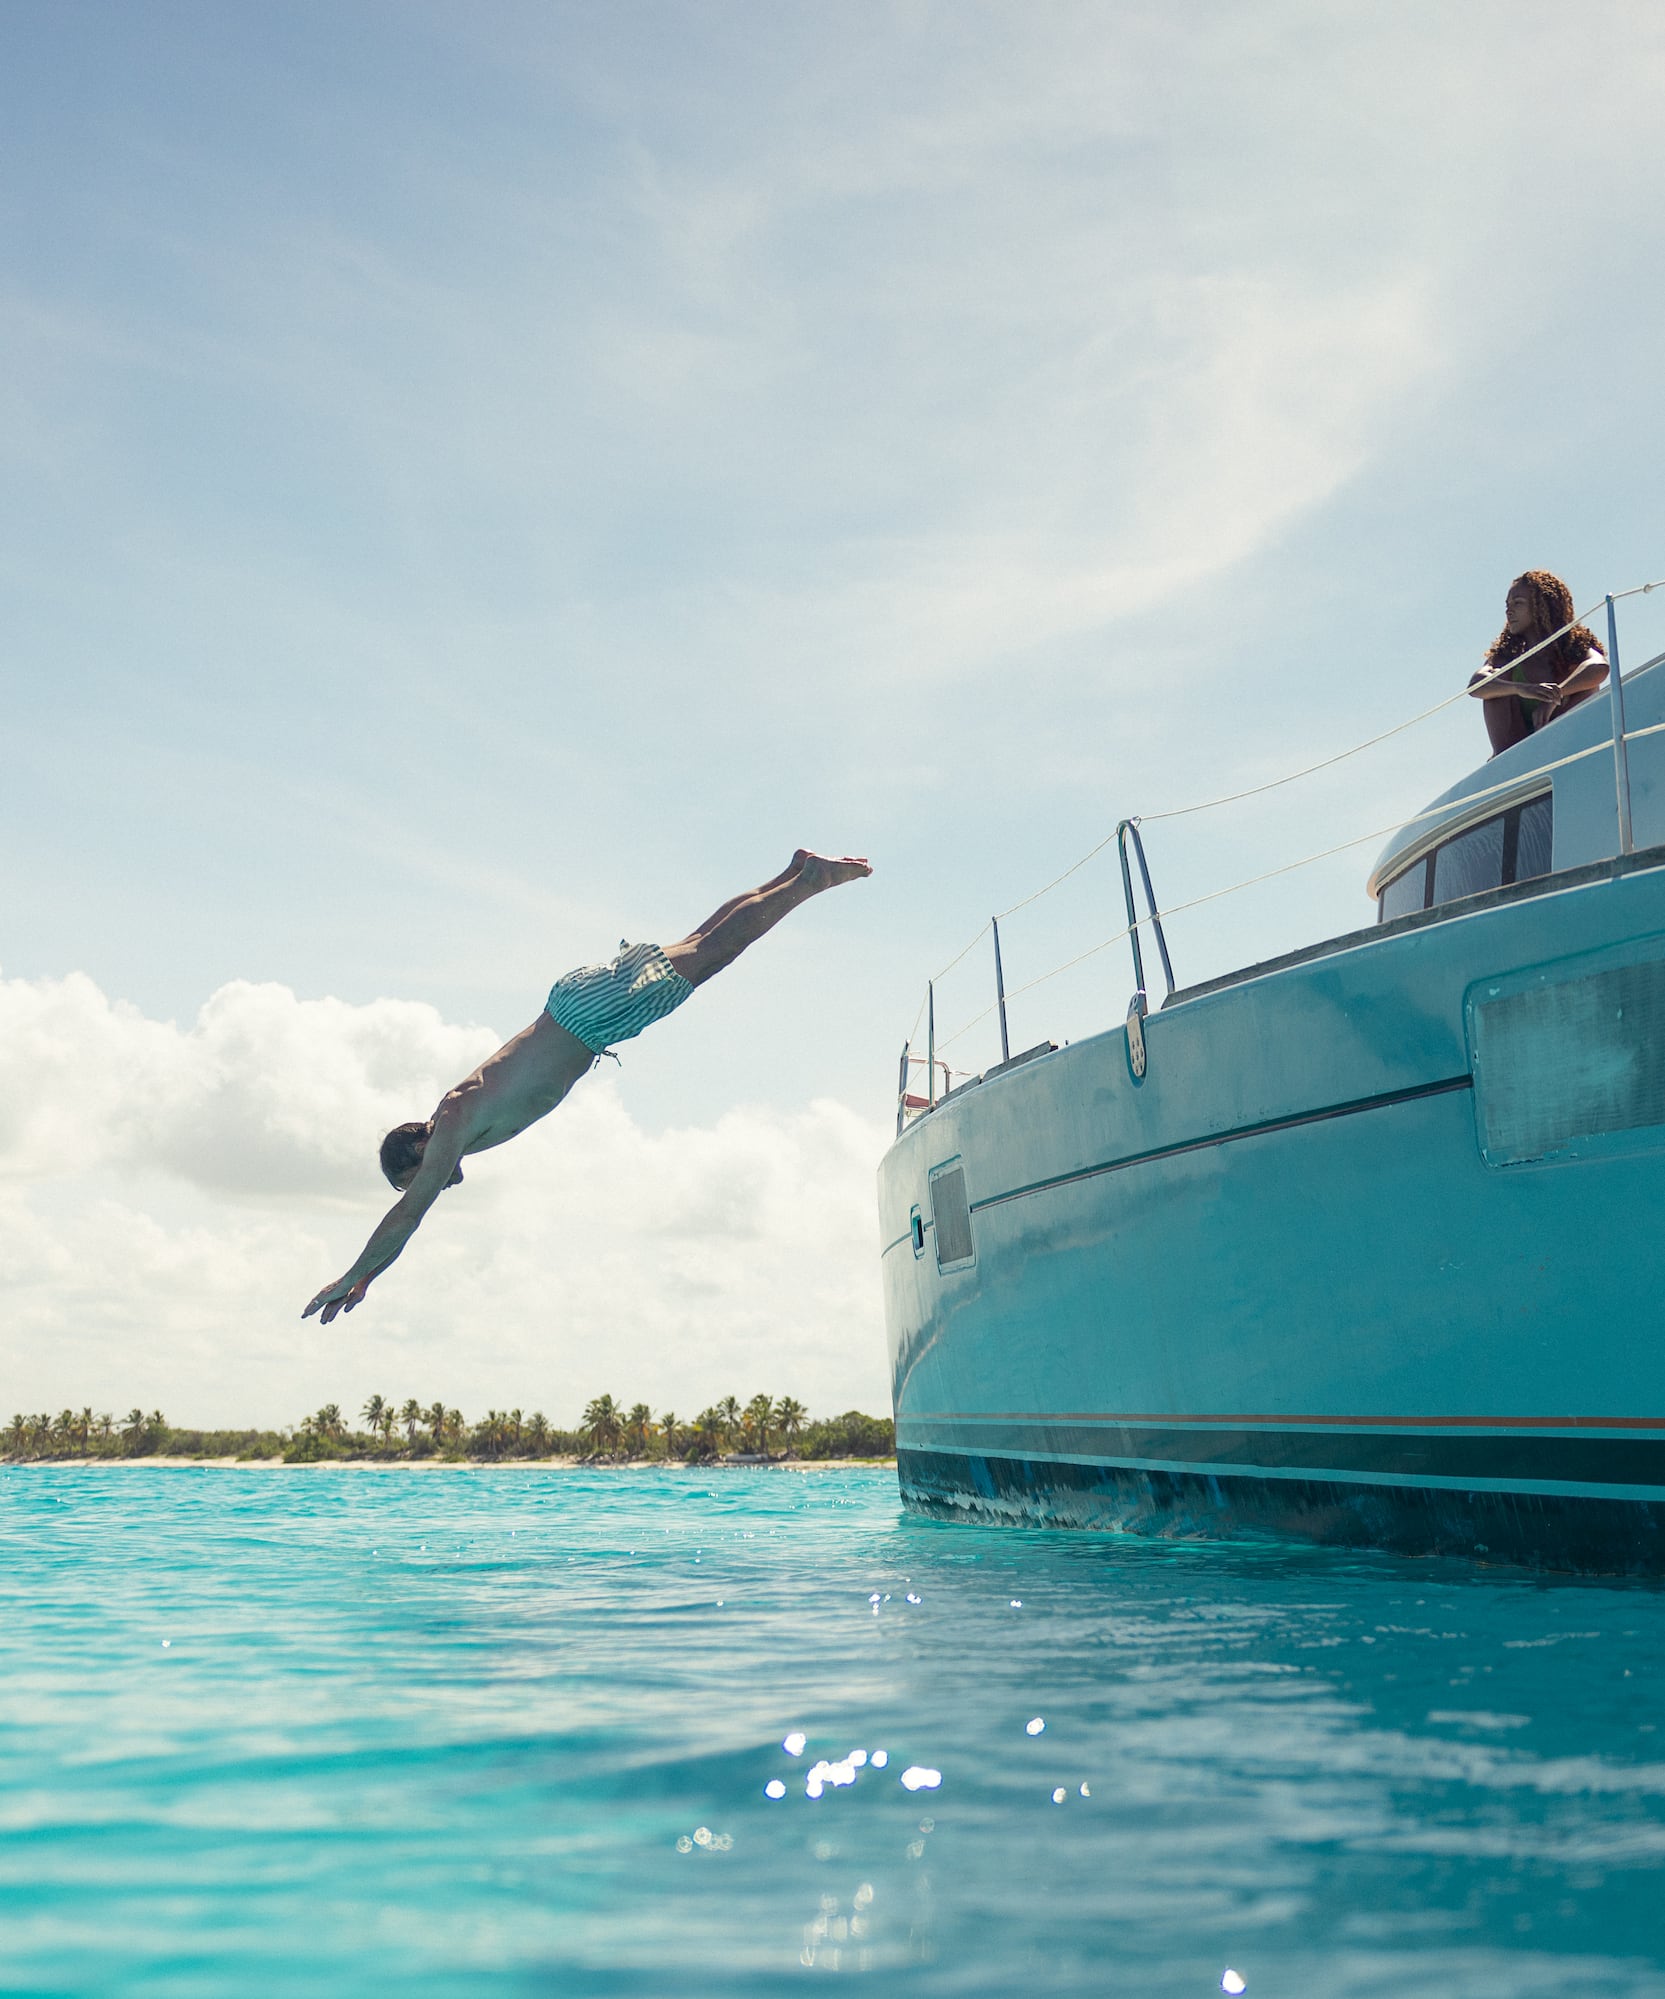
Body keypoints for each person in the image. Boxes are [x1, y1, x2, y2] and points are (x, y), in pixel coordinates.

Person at [302, 849, 872, 1325]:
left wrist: (356, 1274)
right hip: (574, 1005)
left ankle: (810, 882)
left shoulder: (451, 1126)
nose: (430, 1185)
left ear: (417, 1150)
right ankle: (792, 873)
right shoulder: (457, 1112)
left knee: (714, 952)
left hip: (589, 1022)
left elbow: (410, 1217)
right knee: (702, 945)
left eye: (415, 1177)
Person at [1469, 569, 1607, 756]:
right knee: (1494, 689)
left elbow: (1599, 667)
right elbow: (1476, 685)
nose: (1509, 611)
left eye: (1518, 603)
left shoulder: (1571, 645)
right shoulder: (1508, 654)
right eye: (1507, 605)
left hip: (1563, 742)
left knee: (1585, 682)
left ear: (1542, 606)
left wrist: (1555, 695)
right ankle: (1506, 761)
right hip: (1516, 748)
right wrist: (1520, 688)